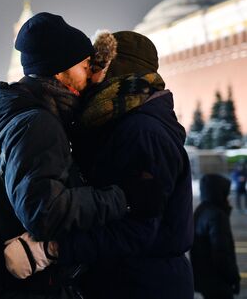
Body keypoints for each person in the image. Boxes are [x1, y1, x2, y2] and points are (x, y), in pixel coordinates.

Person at [0, 12, 129, 297]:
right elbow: (43, 212)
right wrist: (120, 198)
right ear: (60, 70)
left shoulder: (25, 116)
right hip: (40, 287)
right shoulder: (37, 124)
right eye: (84, 66)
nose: (88, 75)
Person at [45, 31, 194, 298]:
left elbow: (139, 227)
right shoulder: (122, 122)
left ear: (116, 70)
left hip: (144, 284)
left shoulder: (141, 130)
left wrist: (54, 249)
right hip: (128, 279)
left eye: (97, 66)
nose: (89, 75)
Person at [191, 174, 240, 299]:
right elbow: (221, 253)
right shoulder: (217, 216)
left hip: (204, 279)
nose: (228, 198)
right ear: (218, 193)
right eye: (225, 193)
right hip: (218, 281)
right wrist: (233, 278)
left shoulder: (200, 211)